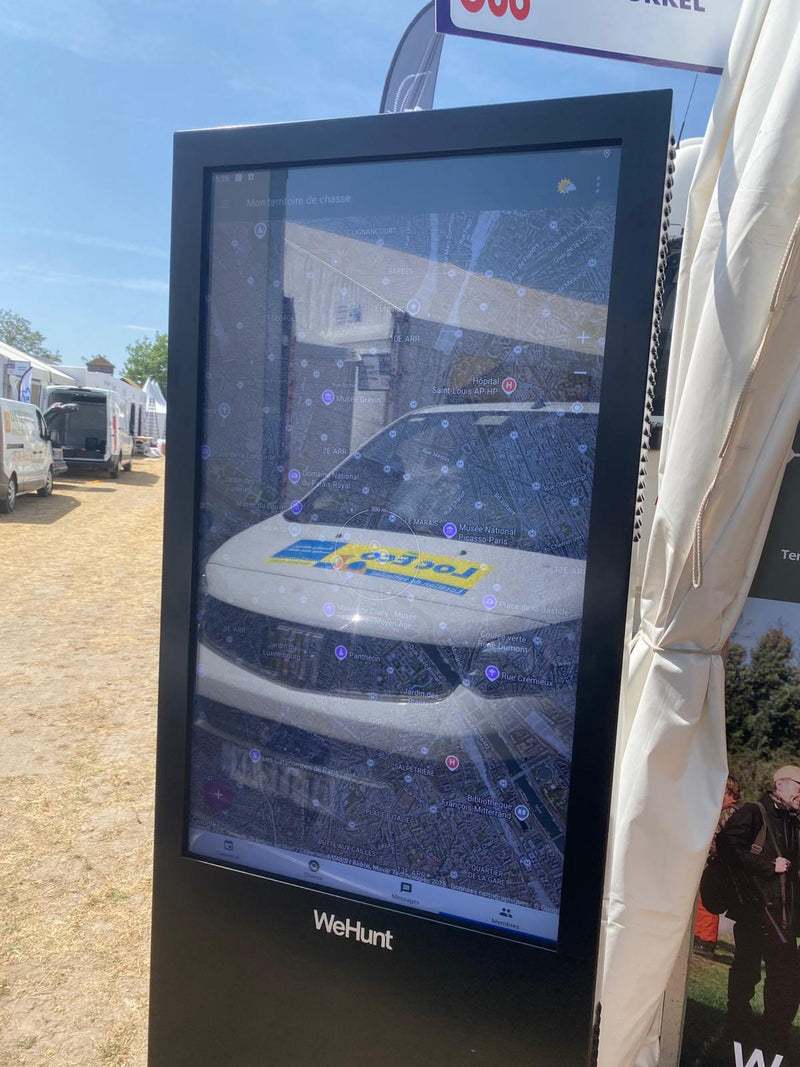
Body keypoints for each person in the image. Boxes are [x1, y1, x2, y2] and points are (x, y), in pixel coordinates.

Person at [717, 765, 800, 1058]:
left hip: (783, 922)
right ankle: (736, 1032)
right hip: (753, 913)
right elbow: (726, 846)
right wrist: (767, 866)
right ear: (779, 785)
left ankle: (773, 1041)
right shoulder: (754, 812)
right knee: (746, 975)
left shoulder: (793, 824)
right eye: (798, 787)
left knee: (785, 981)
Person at [694, 774, 741, 958]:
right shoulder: (723, 811)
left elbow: (727, 840)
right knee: (702, 899)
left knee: (708, 902)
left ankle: (706, 942)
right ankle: (700, 936)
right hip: (712, 861)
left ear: (728, 791)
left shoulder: (729, 813)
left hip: (718, 863)